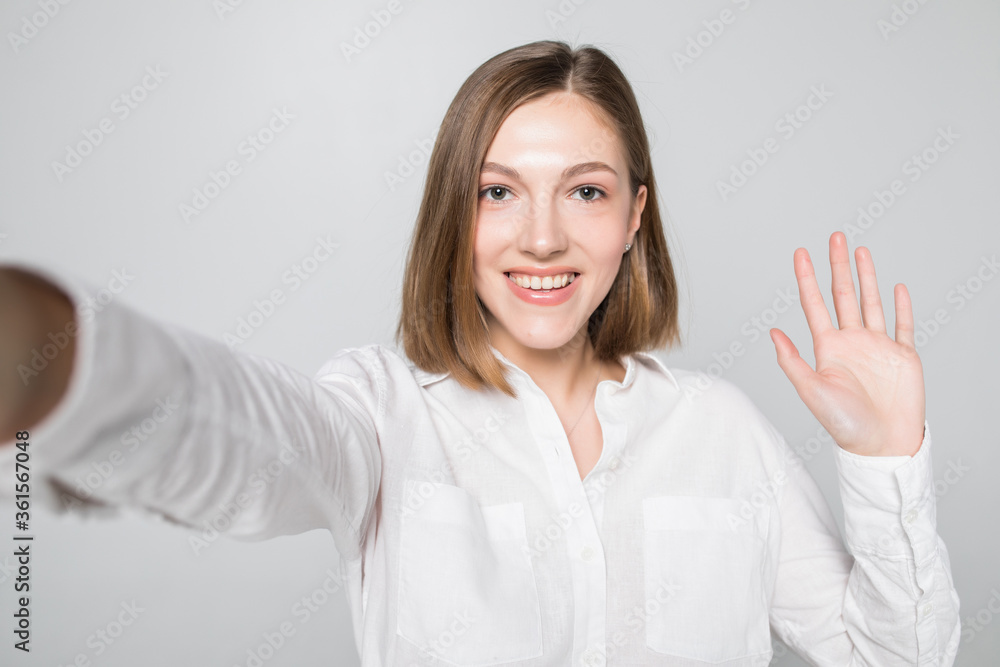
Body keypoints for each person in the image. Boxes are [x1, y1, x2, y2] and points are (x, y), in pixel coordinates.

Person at [0, 40, 959, 666]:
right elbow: (252, 442)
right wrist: (61, 359)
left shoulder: (722, 430)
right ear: (455, 216)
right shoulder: (382, 413)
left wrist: (887, 457)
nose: (540, 237)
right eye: (498, 192)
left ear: (634, 216)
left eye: (585, 191)